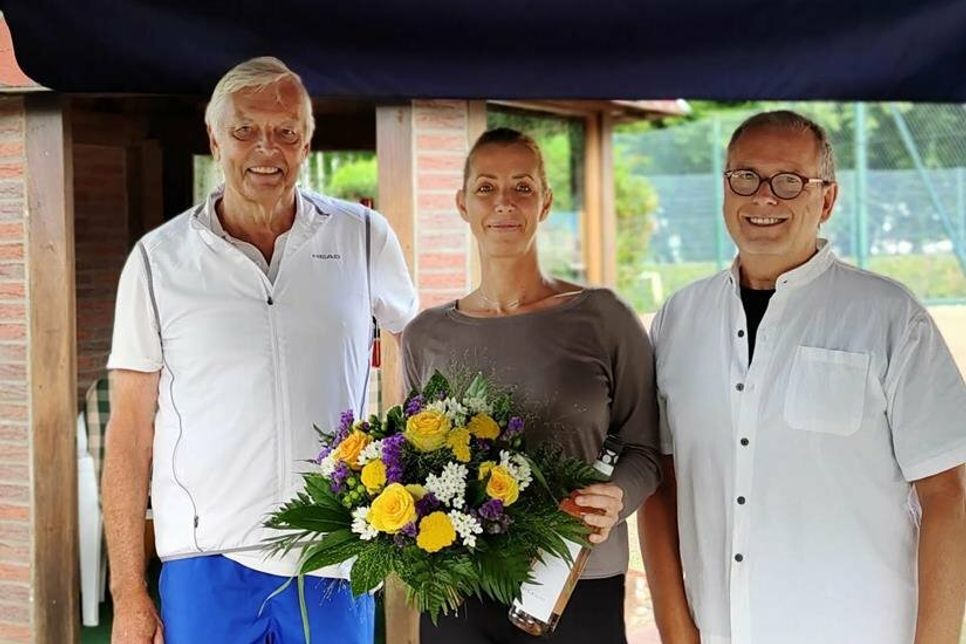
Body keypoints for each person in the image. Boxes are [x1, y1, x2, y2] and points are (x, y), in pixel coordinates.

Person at [102, 56, 418, 643]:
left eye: (285, 132)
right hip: (205, 557)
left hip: (332, 547)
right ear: (215, 139)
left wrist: (403, 464)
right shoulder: (157, 260)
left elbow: (417, 347)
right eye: (245, 130)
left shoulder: (363, 236)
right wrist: (127, 593)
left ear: (307, 142)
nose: (265, 149)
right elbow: (128, 435)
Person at [639, 110, 966, 644]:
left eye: (789, 181)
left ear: (827, 199)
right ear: (725, 188)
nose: (764, 197)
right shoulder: (679, 319)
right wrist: (677, 631)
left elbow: (948, 495)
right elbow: (662, 485)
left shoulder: (888, 317)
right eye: (745, 177)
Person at [402, 127, 662, 643]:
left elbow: (646, 451)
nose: (504, 203)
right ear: (462, 204)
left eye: (522, 187)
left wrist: (616, 497)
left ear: (545, 203)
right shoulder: (424, 335)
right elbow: (412, 464)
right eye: (486, 188)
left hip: (575, 582)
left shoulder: (602, 318)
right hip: (459, 585)